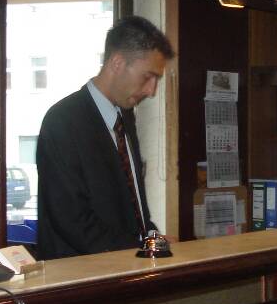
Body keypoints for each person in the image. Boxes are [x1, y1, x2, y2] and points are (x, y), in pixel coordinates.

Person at [35, 16, 174, 259]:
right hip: (80, 274)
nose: (151, 91)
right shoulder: (63, 121)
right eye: (147, 77)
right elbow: (71, 221)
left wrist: (154, 240)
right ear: (117, 63)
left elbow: (134, 208)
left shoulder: (124, 117)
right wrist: (139, 247)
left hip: (125, 268)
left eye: (156, 80)